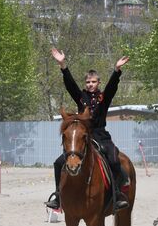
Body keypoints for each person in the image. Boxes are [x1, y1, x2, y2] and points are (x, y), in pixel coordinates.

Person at [45, 48, 129, 210]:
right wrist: (63, 65)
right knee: (58, 162)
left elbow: (112, 87)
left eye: (94, 82)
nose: (90, 85)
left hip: (101, 135)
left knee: (113, 159)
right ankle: (58, 196)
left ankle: (117, 194)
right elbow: (70, 85)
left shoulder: (103, 97)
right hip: (83, 136)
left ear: (98, 83)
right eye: (88, 82)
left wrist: (116, 70)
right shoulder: (81, 97)